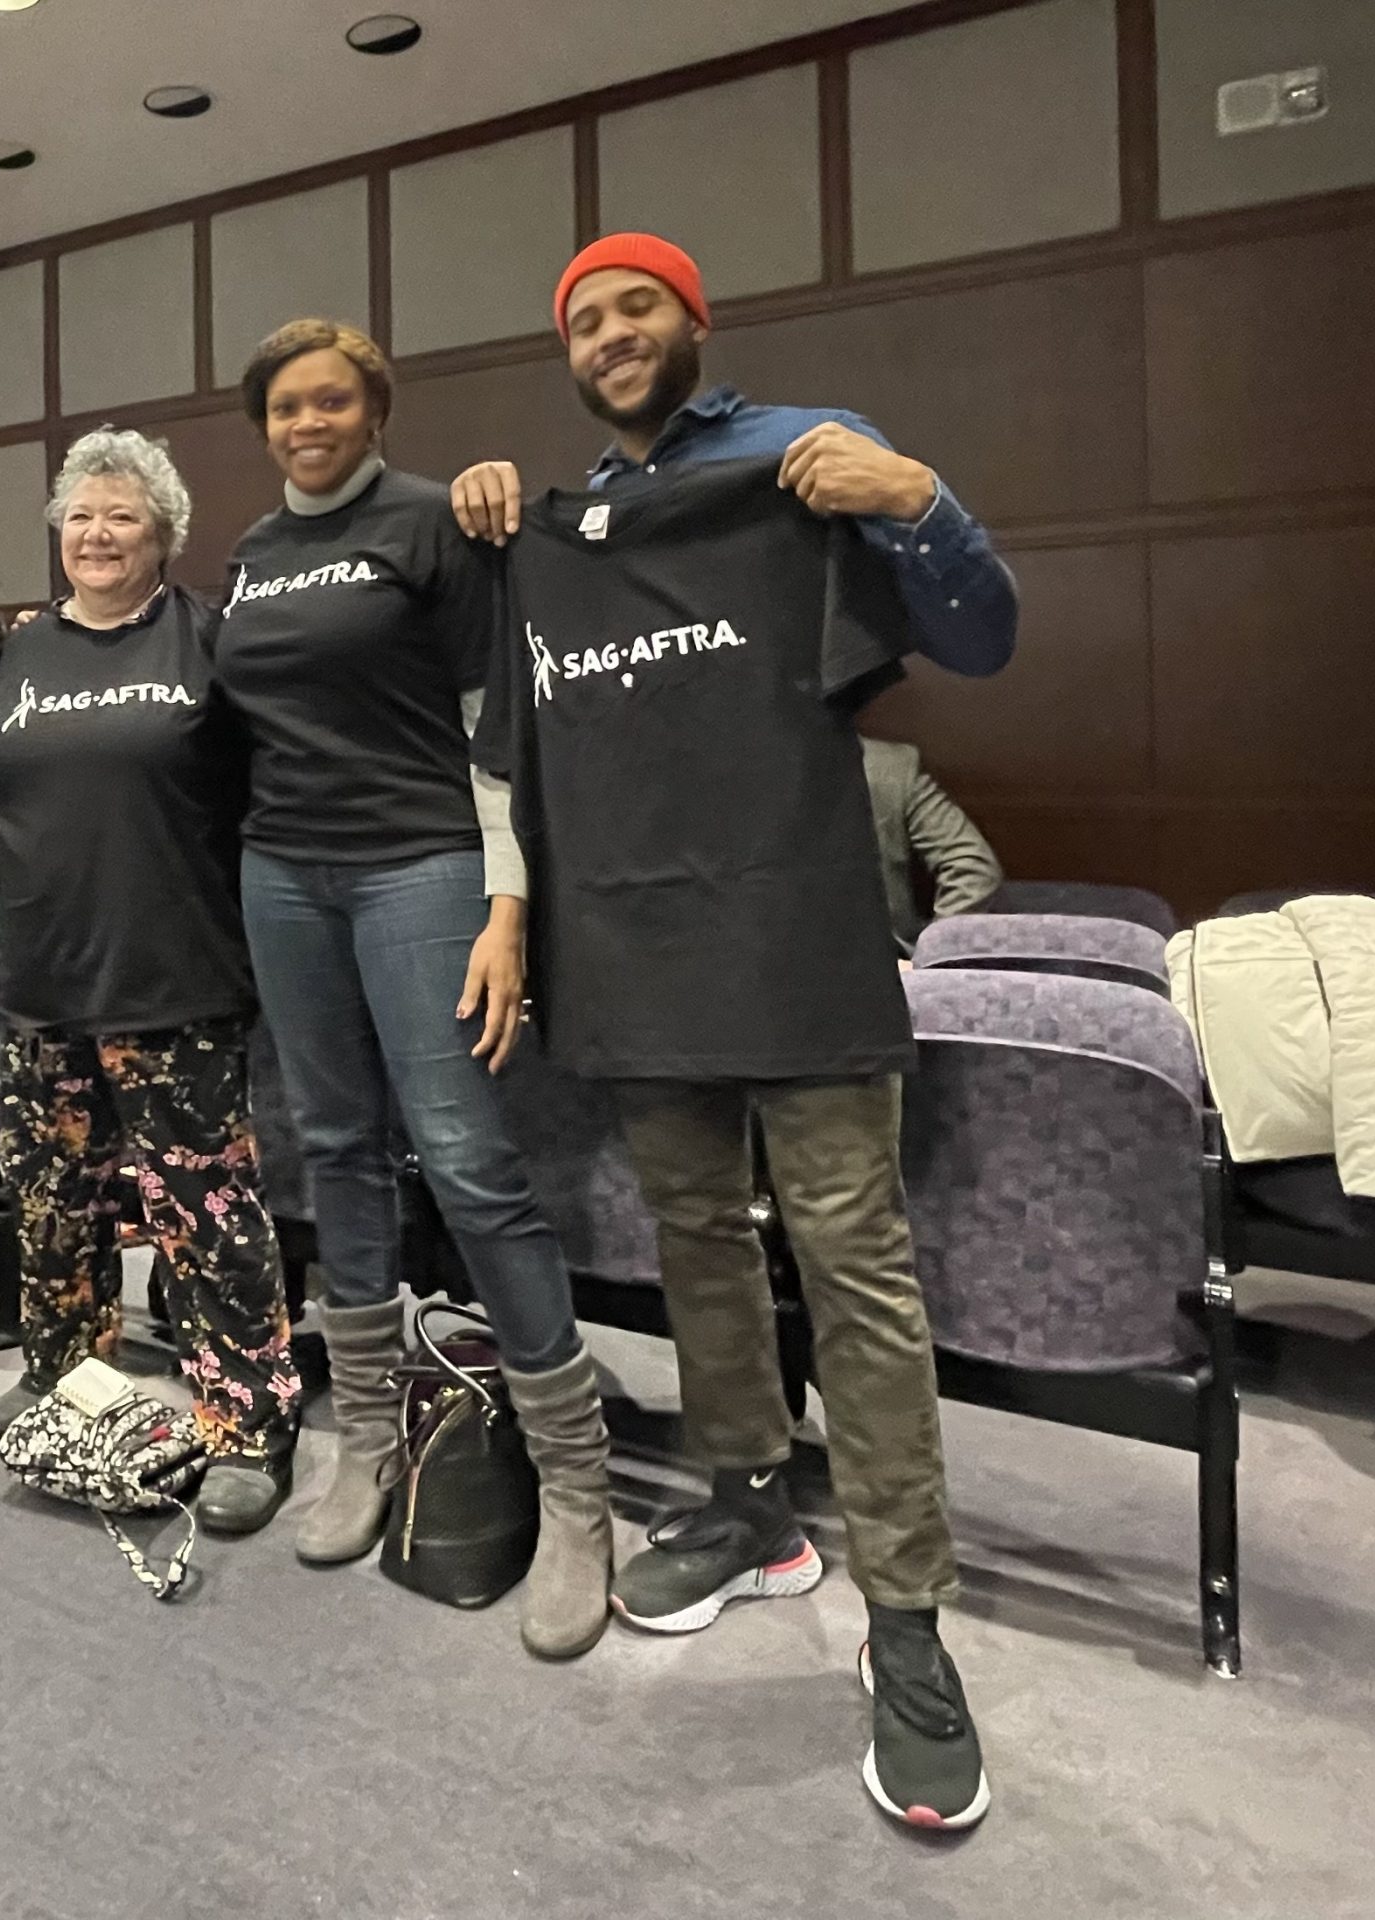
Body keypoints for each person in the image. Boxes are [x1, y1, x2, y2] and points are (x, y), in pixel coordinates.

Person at [453, 231, 1018, 1829]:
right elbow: (506, 750)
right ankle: (750, 1503)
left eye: (637, 307)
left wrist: (916, 499)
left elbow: (981, 638)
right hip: (635, 946)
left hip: (797, 933)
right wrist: (493, 521)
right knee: (692, 1233)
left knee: (854, 1261)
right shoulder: (559, 530)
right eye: (584, 320)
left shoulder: (797, 458)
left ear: (695, 321)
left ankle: (907, 1624)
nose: (611, 335)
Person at [217, 319, 615, 1656]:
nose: (307, 422)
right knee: (332, 1144)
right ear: (264, 425)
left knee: (465, 1158)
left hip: (419, 867)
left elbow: (498, 726)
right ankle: (371, 1440)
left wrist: (508, 904)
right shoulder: (251, 557)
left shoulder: (435, 523)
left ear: (374, 411)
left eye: (331, 401)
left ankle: (575, 1490)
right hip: (282, 873)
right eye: (285, 406)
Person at [0, 427, 301, 1534]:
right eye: (80, 515)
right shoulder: (23, 652)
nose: (97, 533)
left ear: (164, 534)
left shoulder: (206, 639)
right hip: (41, 979)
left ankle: (247, 1421)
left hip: (175, 978)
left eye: (122, 516)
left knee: (206, 1214)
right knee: (52, 1206)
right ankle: (68, 1377)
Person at [861, 736, 1001, 952]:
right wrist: (930, 957)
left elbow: (972, 867)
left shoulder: (889, 767)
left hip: (874, 960)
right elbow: (973, 866)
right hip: (878, 960)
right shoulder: (887, 765)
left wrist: (931, 956)